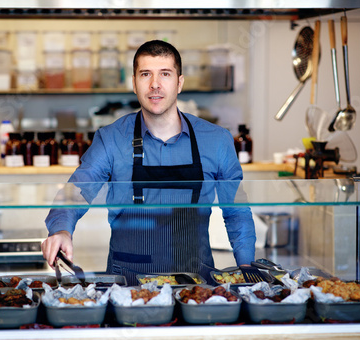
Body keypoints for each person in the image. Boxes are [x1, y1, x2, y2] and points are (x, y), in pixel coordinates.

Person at [42, 40, 256, 284]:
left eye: (165, 74)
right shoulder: (111, 139)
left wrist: (247, 267)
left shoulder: (217, 140)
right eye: (146, 74)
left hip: (197, 286)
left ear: (180, 83)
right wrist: (61, 230)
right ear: (134, 83)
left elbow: (236, 211)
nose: (155, 84)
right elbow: (76, 191)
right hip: (128, 286)